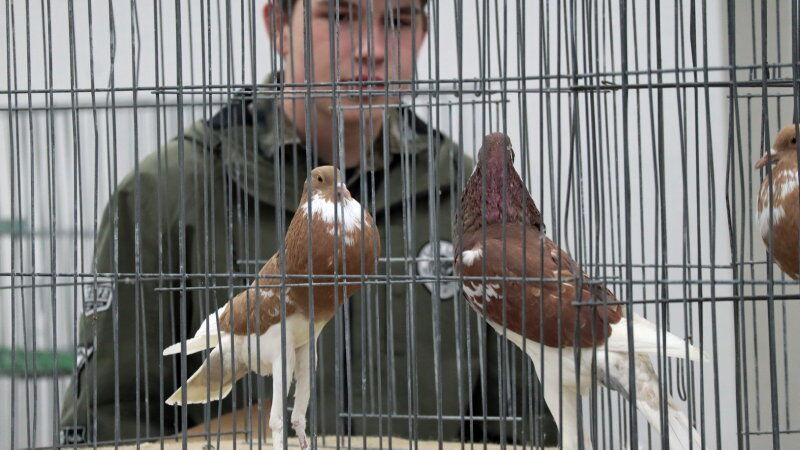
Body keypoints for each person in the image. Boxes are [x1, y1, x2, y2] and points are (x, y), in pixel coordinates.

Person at [59, 0, 557, 445]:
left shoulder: (471, 206)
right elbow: (109, 420)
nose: (372, 50)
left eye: (399, 20)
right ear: (278, 24)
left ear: (423, 33)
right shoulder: (164, 195)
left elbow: (523, 420)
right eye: (339, 15)